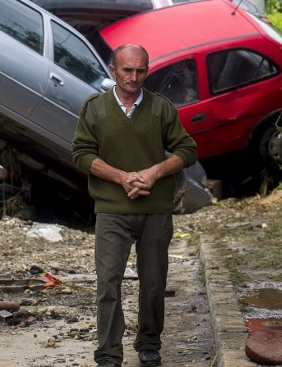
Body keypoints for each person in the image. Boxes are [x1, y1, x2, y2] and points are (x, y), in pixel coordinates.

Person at [72, 44, 198, 367]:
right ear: (113, 71)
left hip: (155, 210)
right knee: (108, 281)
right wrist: (121, 177)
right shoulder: (95, 109)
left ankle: (149, 343)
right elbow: (81, 154)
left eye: (141, 70)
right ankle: (109, 354)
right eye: (127, 70)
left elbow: (187, 150)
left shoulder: (161, 108)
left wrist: (155, 172)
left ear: (147, 70)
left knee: (154, 281)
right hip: (111, 209)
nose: (134, 77)